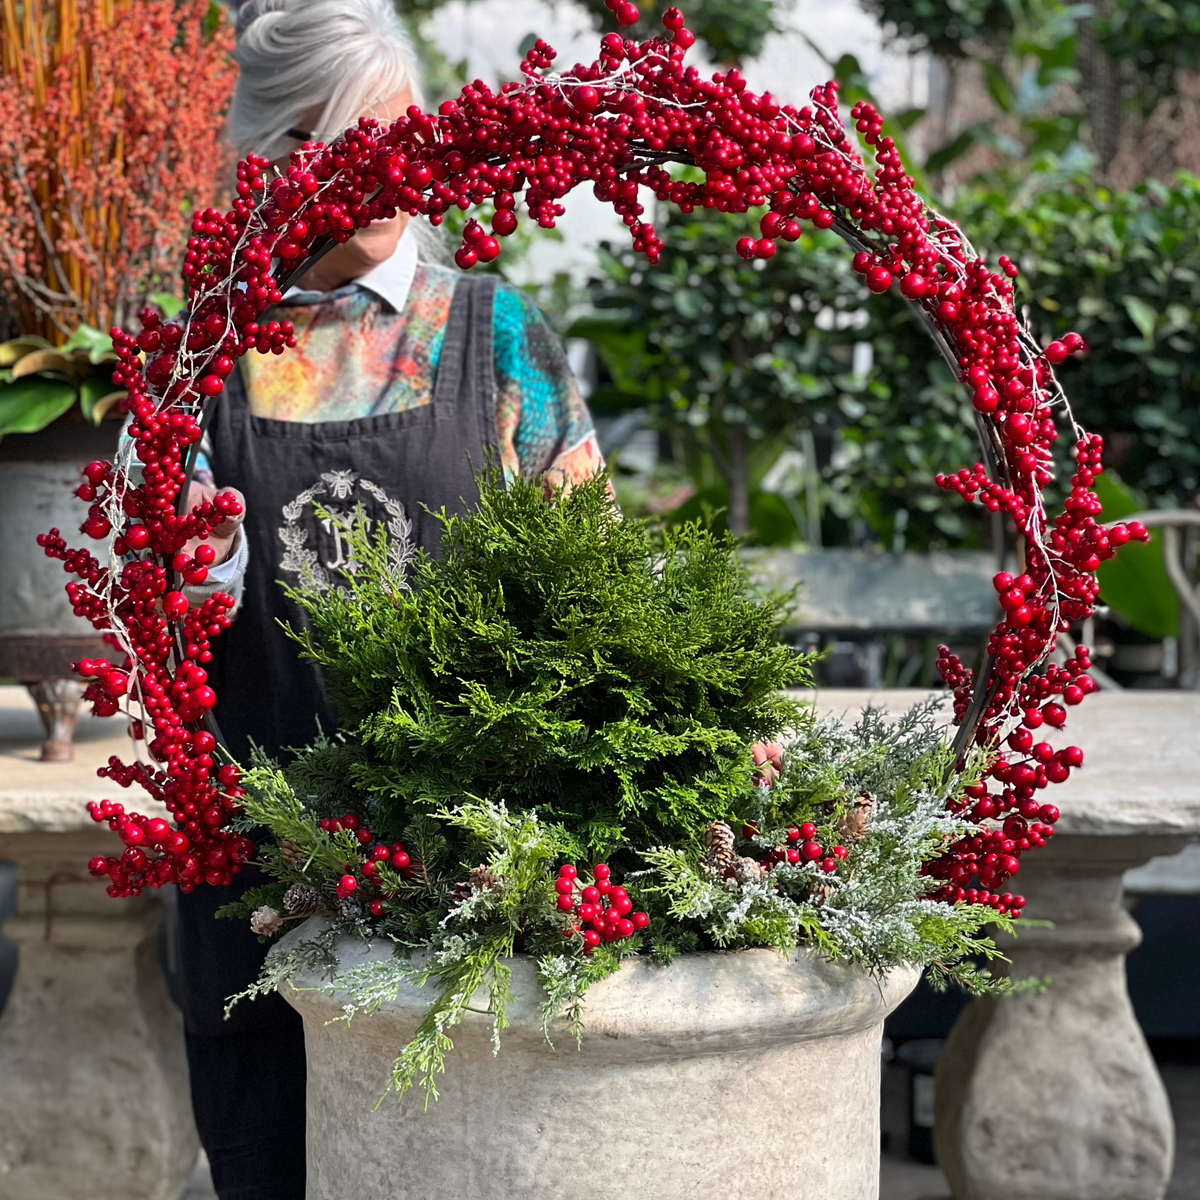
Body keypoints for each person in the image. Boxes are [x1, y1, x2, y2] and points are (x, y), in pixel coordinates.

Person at [175, 3, 605, 1196]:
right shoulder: (201, 360)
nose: (376, 172)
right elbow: (152, 627)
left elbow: (596, 602)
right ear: (271, 159)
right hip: (258, 893)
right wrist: (180, 575)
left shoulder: (502, 337)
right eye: (331, 141)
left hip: (471, 891)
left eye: (395, 134)